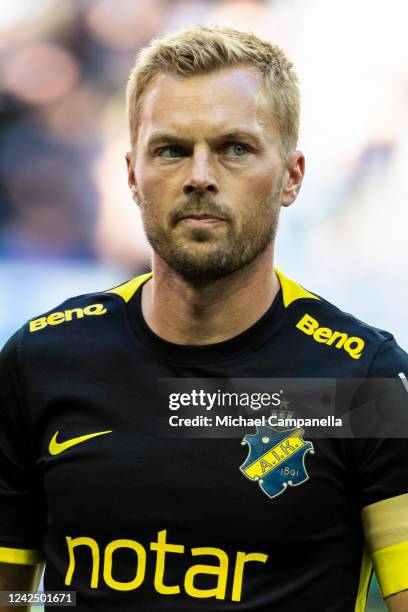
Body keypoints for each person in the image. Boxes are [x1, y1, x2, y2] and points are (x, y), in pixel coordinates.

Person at [0, 25, 407, 612]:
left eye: (235, 148)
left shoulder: (364, 385)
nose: (199, 175)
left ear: (291, 176)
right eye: (170, 150)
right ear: (133, 174)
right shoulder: (40, 359)